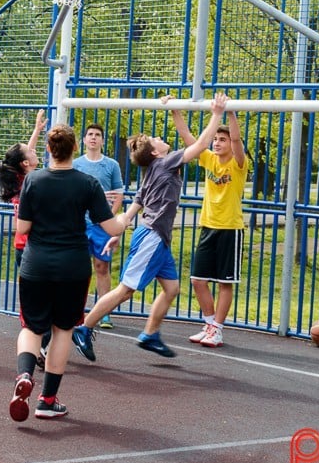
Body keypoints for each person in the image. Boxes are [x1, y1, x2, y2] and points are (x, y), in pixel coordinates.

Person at [72, 93, 229, 361]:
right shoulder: (166, 163)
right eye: (156, 139)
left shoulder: (151, 172)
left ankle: (150, 334)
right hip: (152, 236)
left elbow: (132, 210)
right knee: (126, 289)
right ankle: (84, 329)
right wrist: (217, 112)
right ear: (156, 152)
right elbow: (201, 143)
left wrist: (175, 110)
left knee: (171, 289)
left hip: (154, 236)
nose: (160, 138)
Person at [8, 124, 133, 422]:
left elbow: (22, 228)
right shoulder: (87, 183)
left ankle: (24, 375)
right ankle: (47, 400)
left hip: (36, 264)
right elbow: (112, 227)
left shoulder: (33, 181)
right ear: (75, 149)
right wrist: (127, 214)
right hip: (72, 267)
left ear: (49, 150)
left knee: (31, 328)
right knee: (63, 330)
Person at [172, 100, 248, 348]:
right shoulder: (208, 159)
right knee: (197, 279)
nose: (217, 142)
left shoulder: (238, 164)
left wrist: (232, 114)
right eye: (215, 139)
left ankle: (217, 328)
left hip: (230, 229)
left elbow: (237, 142)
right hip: (208, 227)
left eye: (222, 139)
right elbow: (187, 137)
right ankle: (209, 323)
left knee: (225, 282)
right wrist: (174, 110)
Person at [73, 123, 124, 329]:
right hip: (80, 224)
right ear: (84, 140)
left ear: (103, 140)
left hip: (101, 226)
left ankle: (103, 313)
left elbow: (118, 194)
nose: (93, 138)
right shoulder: (76, 164)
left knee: (102, 267)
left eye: (97, 135)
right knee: (78, 268)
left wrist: (107, 219)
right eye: (90, 134)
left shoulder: (111, 165)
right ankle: (75, 310)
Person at [0, 109, 47, 267]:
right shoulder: (31, 181)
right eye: (30, 151)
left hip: (22, 245)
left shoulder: (19, 178)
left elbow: (26, 154)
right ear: (25, 163)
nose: (34, 150)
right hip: (32, 245)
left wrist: (37, 130)